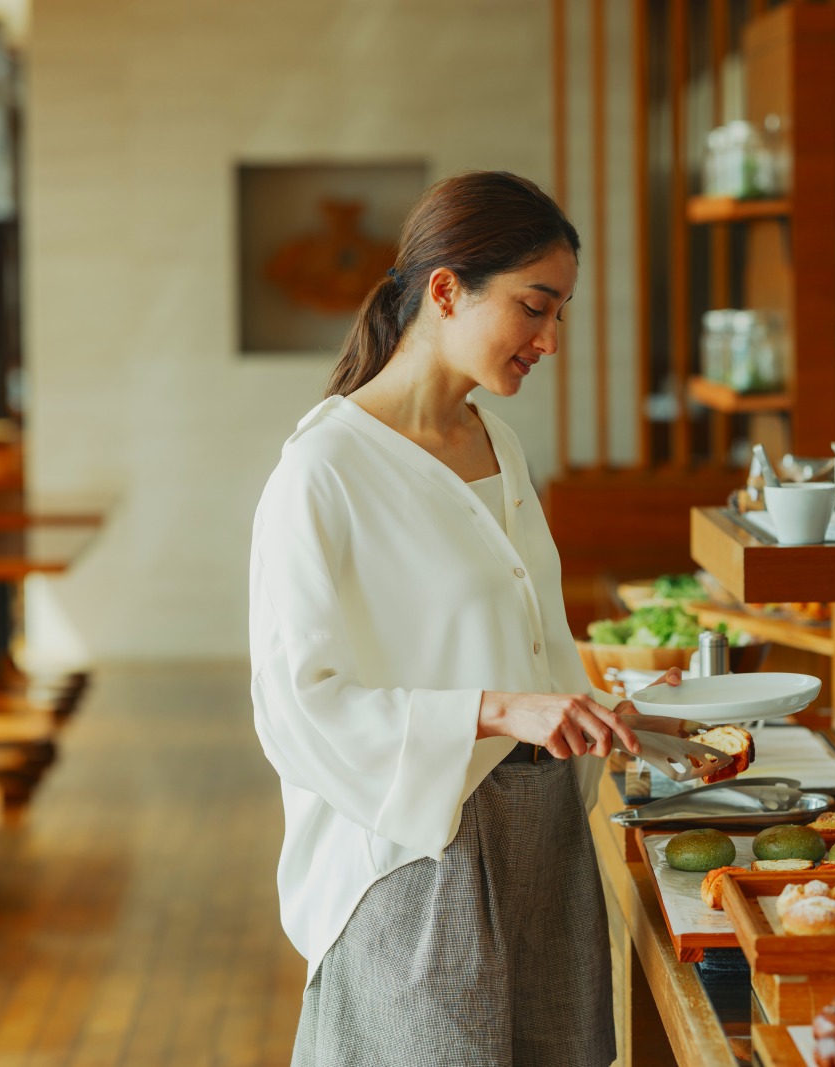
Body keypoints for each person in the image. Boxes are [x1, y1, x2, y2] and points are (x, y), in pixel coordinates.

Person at [250, 170, 679, 1066]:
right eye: (534, 306)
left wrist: (603, 712)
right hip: (420, 858)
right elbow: (299, 709)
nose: (550, 339)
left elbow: (521, 642)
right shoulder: (323, 471)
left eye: (559, 313)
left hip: (545, 836)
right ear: (446, 290)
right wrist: (499, 709)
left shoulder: (499, 443)